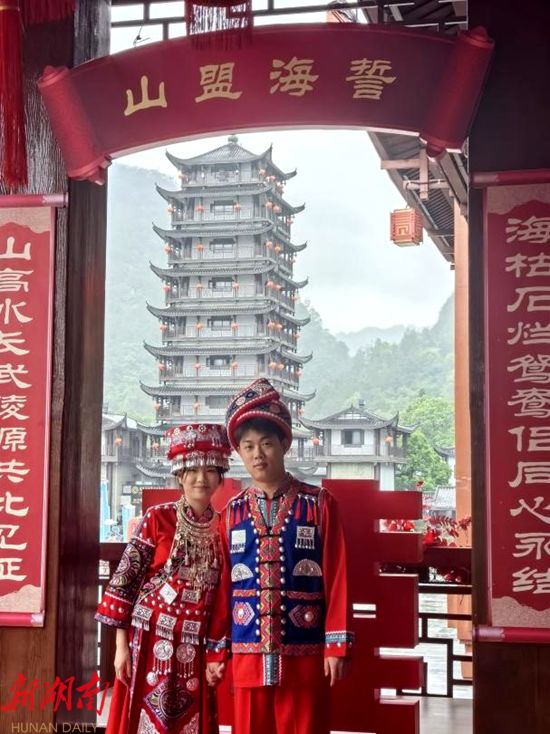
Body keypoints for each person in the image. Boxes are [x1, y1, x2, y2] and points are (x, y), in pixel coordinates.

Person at [205, 378, 353, 734]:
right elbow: (223, 587)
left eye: (267, 444)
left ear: (284, 444)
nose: (258, 454)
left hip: (306, 652)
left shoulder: (319, 504)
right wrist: (216, 650)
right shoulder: (232, 513)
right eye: (248, 446)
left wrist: (336, 646)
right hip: (247, 649)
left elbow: (338, 577)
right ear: (239, 453)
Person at [95, 423, 231, 734]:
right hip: (149, 640)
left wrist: (218, 650)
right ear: (179, 475)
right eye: (192, 470)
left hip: (196, 645)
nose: (201, 478)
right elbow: (124, 583)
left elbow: (226, 595)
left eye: (210, 470)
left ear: (220, 476)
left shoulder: (224, 527)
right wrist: (120, 648)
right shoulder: (157, 518)